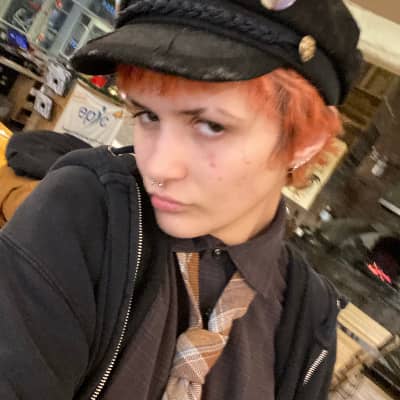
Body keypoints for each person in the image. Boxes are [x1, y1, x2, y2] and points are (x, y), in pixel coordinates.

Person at [0, 0, 362, 399]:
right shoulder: (87, 213)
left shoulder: (308, 316)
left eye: (211, 126)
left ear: (303, 143)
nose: (158, 166)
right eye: (148, 115)